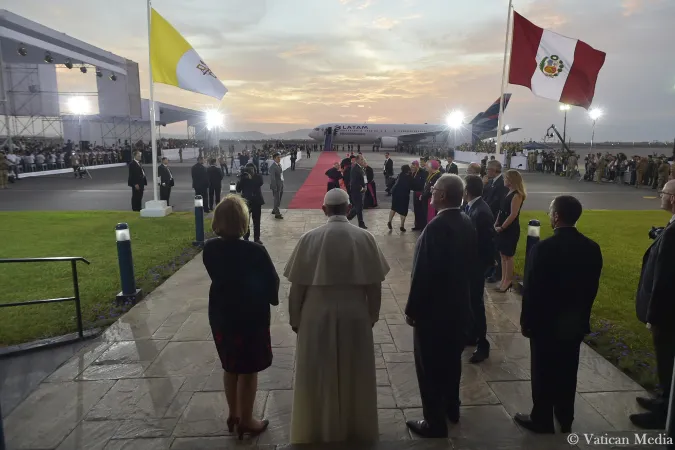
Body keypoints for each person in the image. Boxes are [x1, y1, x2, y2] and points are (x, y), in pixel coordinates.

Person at [285, 188, 390, 444]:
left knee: (317, 375)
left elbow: (296, 288)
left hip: (315, 314)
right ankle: (356, 428)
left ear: (324, 210)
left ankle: (315, 429)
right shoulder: (365, 238)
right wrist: (371, 316)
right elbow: (374, 286)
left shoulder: (309, 239)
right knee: (356, 374)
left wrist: (295, 320)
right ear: (349, 208)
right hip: (355, 314)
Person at [515, 196, 603, 434]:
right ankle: (565, 417)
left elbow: (532, 291)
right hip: (574, 322)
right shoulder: (592, 248)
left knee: (543, 371)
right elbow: (591, 289)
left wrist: (526, 322)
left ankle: (541, 418)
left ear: (555, 217)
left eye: (549, 212)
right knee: (567, 369)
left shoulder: (543, 249)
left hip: (546, 324)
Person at [405, 174, 477, 438]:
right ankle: (451, 408)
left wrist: (412, 310)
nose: (430, 192)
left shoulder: (436, 227)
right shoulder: (466, 221)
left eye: (434, 189)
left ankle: (434, 423)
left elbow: (423, 275)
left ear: (443, 196)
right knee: (451, 363)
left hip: (434, 316)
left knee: (430, 369)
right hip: (458, 309)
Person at [202, 195, 279, 440]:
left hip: (222, 313)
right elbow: (271, 282)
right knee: (248, 368)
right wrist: (271, 297)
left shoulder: (210, 248)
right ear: (244, 221)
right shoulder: (255, 251)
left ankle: (233, 413)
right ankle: (247, 420)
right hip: (250, 315)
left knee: (230, 365)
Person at [630, 179, 675, 429]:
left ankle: (664, 412)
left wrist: (653, 315)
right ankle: (661, 399)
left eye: (664, 193)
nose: (661, 196)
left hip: (665, 313)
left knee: (667, 360)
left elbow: (665, 279)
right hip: (664, 310)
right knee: (663, 360)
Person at [463, 175, 495, 363]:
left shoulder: (480, 211)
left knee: (476, 304)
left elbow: (486, 243)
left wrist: (484, 266)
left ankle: (483, 344)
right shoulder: (473, 207)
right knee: (471, 302)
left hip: (475, 266)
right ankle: (472, 335)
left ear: (467, 191)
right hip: (471, 265)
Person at [494, 169, 525, 292]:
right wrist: (496, 222)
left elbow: (513, 214)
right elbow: (501, 210)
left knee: (508, 255)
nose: (504, 180)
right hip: (502, 226)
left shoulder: (517, 195)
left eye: (506, 178)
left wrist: (502, 227)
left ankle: (508, 280)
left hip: (510, 228)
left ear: (511, 180)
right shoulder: (508, 192)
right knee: (502, 254)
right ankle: (503, 279)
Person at [483, 160, 508, 282]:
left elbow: (500, 204)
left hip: (495, 218)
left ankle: (497, 273)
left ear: (494, 170)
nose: (486, 171)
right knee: (491, 246)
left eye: (488, 169)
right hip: (490, 216)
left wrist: (497, 221)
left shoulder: (501, 183)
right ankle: (491, 268)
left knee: (496, 248)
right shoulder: (493, 181)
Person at [236, 163, 264, 245]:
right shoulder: (243, 177)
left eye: (251, 170)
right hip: (246, 202)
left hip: (256, 202)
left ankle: (257, 238)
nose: (250, 171)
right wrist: (240, 179)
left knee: (257, 221)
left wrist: (251, 178)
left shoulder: (258, 177)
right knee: (246, 221)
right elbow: (238, 189)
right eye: (248, 170)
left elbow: (259, 183)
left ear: (255, 170)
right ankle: (246, 237)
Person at [388, 165, 412, 232]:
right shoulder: (409, 177)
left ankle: (389, 221)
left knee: (393, 208)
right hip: (404, 195)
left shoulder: (400, 175)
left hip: (396, 194)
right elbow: (412, 185)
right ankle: (402, 226)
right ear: (408, 170)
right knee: (403, 211)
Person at [346, 154, 367, 229]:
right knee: (359, 207)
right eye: (361, 159)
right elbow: (354, 182)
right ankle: (361, 223)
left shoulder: (361, 168)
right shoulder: (355, 169)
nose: (363, 160)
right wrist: (362, 189)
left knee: (358, 207)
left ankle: (348, 218)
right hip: (356, 191)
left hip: (361, 191)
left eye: (363, 159)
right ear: (357, 160)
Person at [422, 160, 442, 224]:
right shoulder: (432, 174)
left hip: (431, 200)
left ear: (432, 168)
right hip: (427, 199)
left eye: (428, 167)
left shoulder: (437, 176)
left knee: (431, 217)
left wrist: (424, 195)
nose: (426, 169)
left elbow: (432, 189)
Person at [411, 160, 428, 231]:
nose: (412, 167)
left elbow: (423, 182)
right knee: (416, 209)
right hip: (415, 192)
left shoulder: (423, 172)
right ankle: (417, 225)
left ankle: (423, 226)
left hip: (420, 192)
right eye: (412, 166)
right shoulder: (414, 172)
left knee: (421, 209)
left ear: (417, 165)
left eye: (413, 165)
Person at [269, 152, 284, 219]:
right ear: (274, 158)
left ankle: (274, 209)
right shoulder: (272, 167)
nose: (279, 158)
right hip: (276, 185)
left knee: (279, 198)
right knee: (276, 199)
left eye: (279, 157)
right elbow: (273, 178)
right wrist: (274, 186)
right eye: (278, 157)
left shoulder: (279, 165)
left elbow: (281, 175)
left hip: (280, 183)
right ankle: (277, 213)